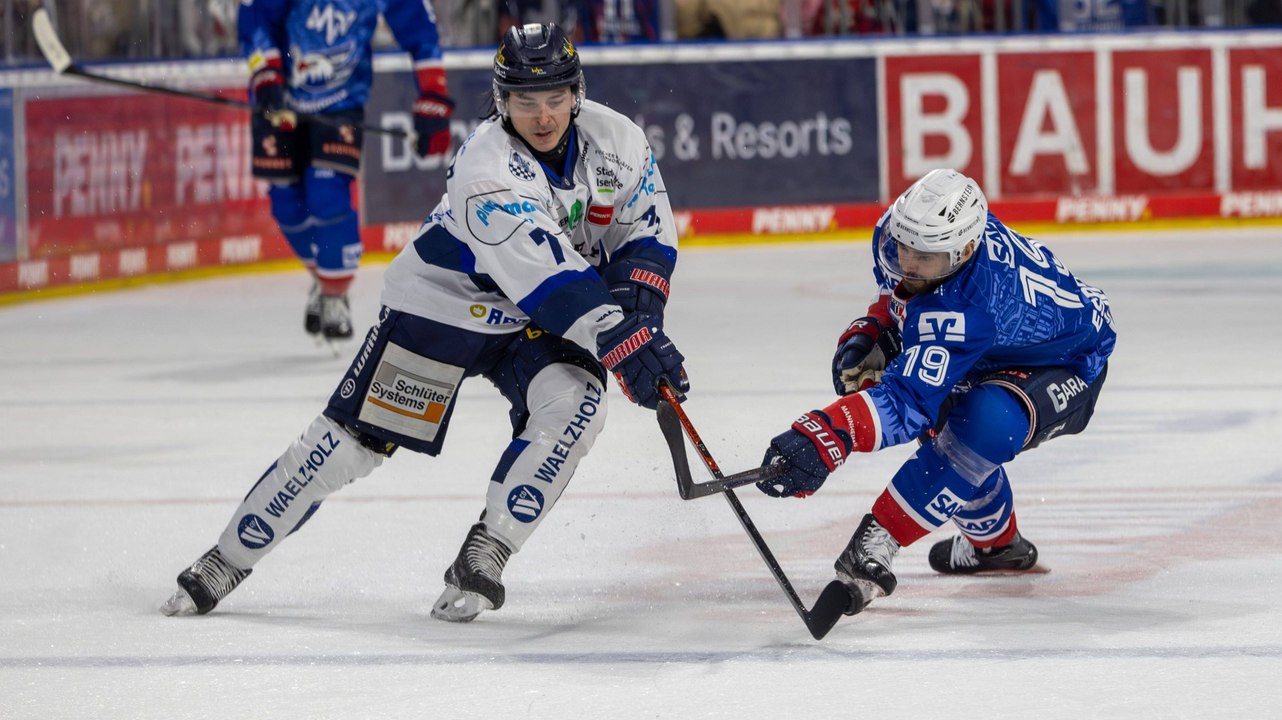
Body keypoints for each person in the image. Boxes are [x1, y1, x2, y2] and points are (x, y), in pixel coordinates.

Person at [161, 22, 689, 622]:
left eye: (554, 99)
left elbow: (645, 234)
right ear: (501, 101)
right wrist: (621, 336)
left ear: (577, 92)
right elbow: (548, 277)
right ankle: (227, 558)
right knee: (349, 447)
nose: (542, 116)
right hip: (444, 308)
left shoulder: (619, 140)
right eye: (524, 101)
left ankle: (487, 550)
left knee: (577, 405)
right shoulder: (484, 168)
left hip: (531, 321)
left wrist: (641, 320)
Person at [756, 168, 1116, 616]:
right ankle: (997, 548)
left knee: (985, 422)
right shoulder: (915, 236)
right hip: (993, 345)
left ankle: (883, 541)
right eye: (903, 246)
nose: (908, 263)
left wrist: (828, 434)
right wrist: (877, 328)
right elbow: (905, 294)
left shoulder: (970, 302)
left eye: (924, 257)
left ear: (964, 251)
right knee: (946, 413)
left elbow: (906, 405)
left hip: (1069, 361)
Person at [239, 0, 454, 342]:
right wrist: (266, 76)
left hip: (343, 105)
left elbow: (420, 31)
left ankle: (334, 293)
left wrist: (433, 93)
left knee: (327, 194)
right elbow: (255, 19)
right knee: (285, 205)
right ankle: (324, 278)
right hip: (279, 98)